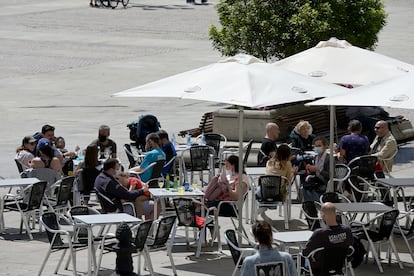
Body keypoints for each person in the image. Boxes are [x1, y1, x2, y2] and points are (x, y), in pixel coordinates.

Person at [302, 202, 353, 275]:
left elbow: (305, 253)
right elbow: (350, 247)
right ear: (335, 214)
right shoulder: (347, 230)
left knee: (299, 258)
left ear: (323, 215)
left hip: (320, 268)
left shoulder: (319, 234)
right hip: (339, 266)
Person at [302, 136, 330, 202]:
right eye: (316, 146)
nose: (317, 148)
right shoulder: (315, 158)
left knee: (311, 189)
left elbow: (330, 175)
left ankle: (317, 205)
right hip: (316, 181)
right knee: (304, 188)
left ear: (325, 146)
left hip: (325, 182)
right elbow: (313, 172)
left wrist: (318, 170)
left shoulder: (329, 159)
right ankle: (311, 205)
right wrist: (309, 169)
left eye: (319, 146)